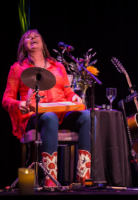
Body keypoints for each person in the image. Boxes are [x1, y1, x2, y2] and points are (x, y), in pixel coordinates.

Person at [2, 29, 91, 186]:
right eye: (28, 37)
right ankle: (51, 180)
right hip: (34, 117)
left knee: (85, 116)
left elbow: (68, 92)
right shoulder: (17, 68)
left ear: (43, 44)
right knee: (49, 117)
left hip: (61, 115)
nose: (33, 37)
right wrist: (19, 104)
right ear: (23, 46)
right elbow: (6, 99)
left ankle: (83, 178)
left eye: (36, 36)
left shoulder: (58, 66)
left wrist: (74, 97)